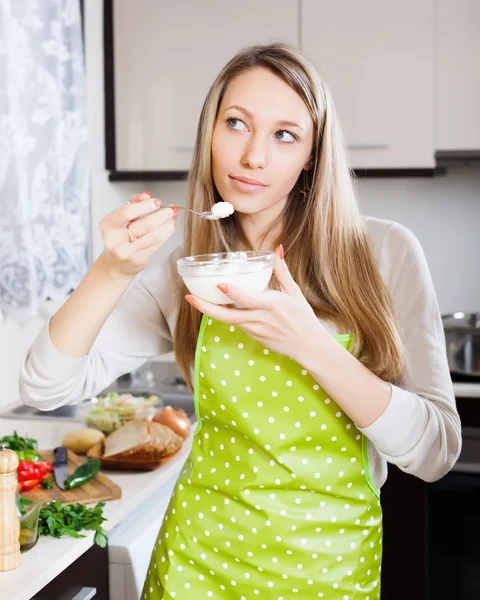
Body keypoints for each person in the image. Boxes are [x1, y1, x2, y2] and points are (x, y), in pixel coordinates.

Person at [19, 43, 461, 599]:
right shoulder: (188, 271)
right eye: (236, 123)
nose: (253, 156)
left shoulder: (382, 252)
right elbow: (43, 385)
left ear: (311, 156)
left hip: (326, 571)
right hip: (195, 564)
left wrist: (310, 345)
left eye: (284, 135)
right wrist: (110, 270)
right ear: (210, 132)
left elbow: (436, 453)